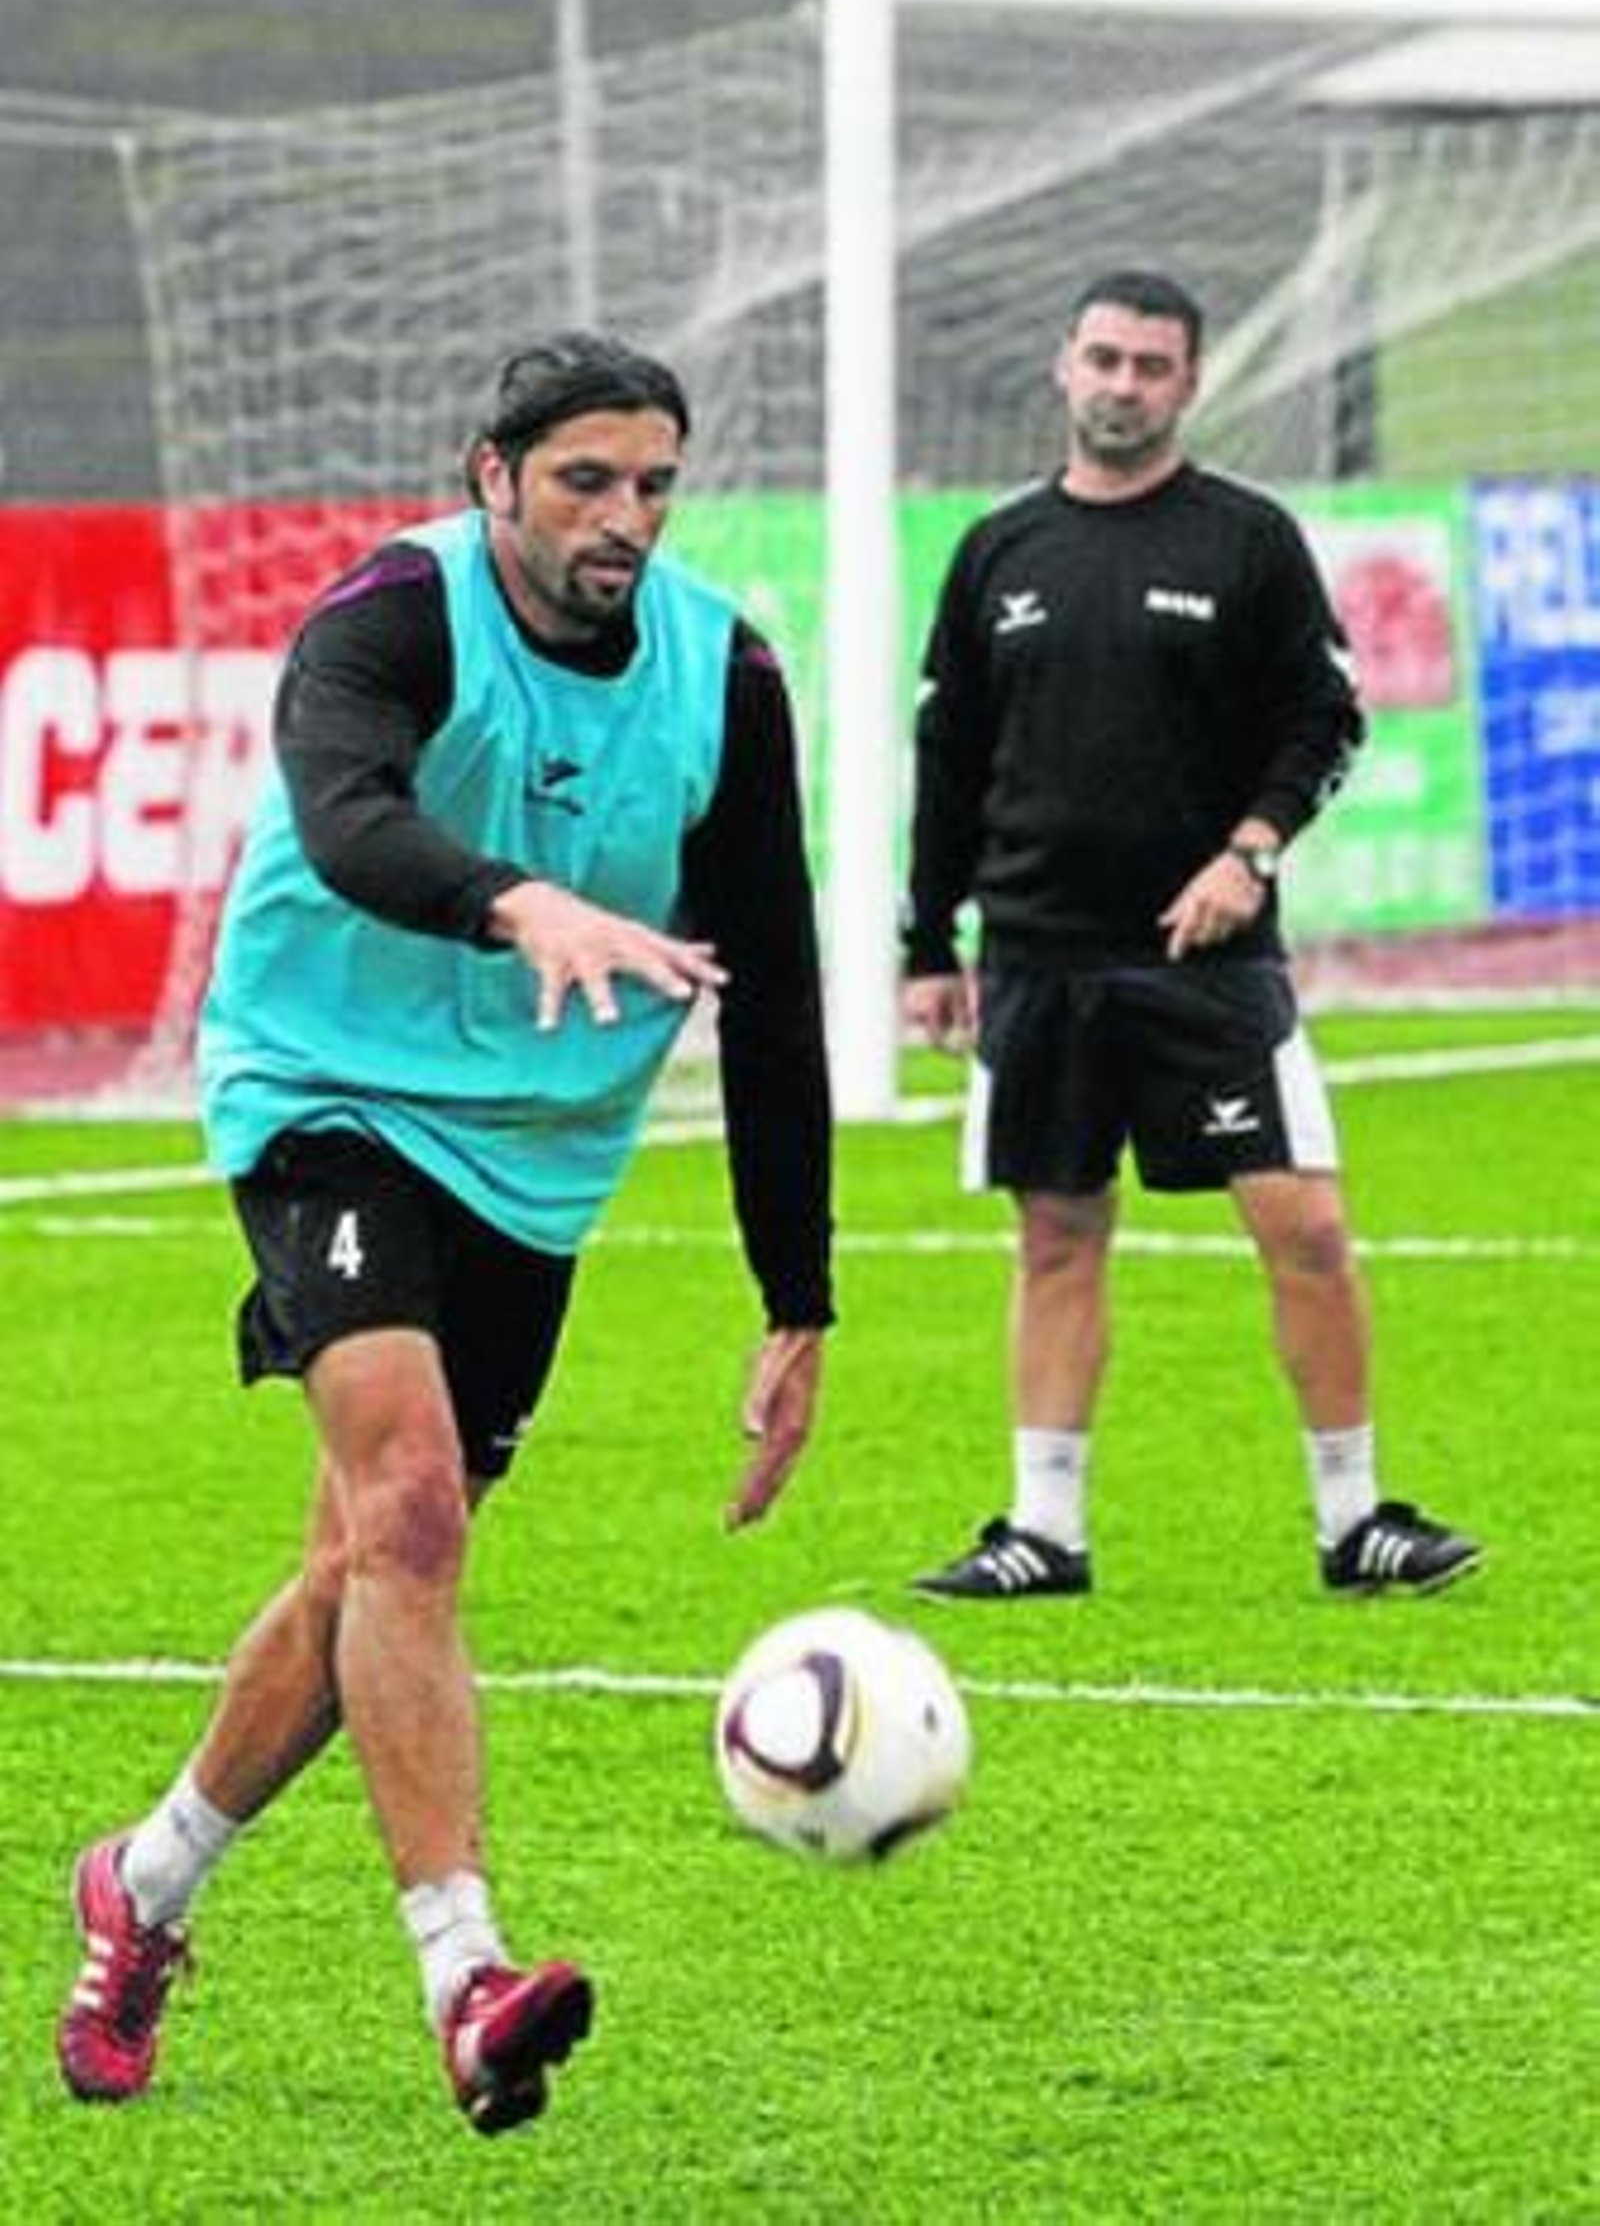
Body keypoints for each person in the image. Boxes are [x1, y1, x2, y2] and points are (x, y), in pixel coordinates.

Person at [56, 332, 834, 2133]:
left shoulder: (729, 673)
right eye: (584, 480)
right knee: (412, 1507)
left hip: (538, 1159)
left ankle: (146, 1884)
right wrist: (516, 901)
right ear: (492, 474)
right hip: (324, 1090)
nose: (623, 518)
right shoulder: (390, 617)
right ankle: (467, 1975)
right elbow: (345, 820)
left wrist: (799, 1296)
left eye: (652, 483)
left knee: (358, 1569)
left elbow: (776, 988)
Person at [903, 269, 1478, 1605]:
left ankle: (1356, 1520)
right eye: (1103, 357)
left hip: (1207, 961)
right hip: (1039, 954)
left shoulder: (1247, 541)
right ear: (1064, 365)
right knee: (1054, 1233)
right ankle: (1044, 1531)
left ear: (1189, 383)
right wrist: (927, 942)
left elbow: (1325, 723)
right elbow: (948, 757)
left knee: (1308, 1224)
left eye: (1150, 365)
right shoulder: (998, 553)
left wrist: (1250, 850)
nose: (1122, 384)